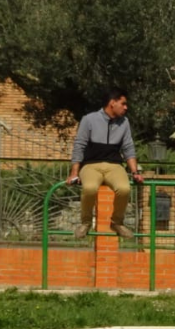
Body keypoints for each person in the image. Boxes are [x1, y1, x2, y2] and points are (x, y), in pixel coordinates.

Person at [66, 88, 144, 239]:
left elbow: (128, 148)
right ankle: (86, 223)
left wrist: (135, 172)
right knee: (89, 188)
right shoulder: (89, 119)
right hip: (91, 165)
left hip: (114, 166)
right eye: (123, 103)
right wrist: (74, 172)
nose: (126, 107)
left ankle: (116, 222)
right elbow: (79, 146)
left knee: (124, 189)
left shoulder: (125, 122)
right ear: (112, 103)